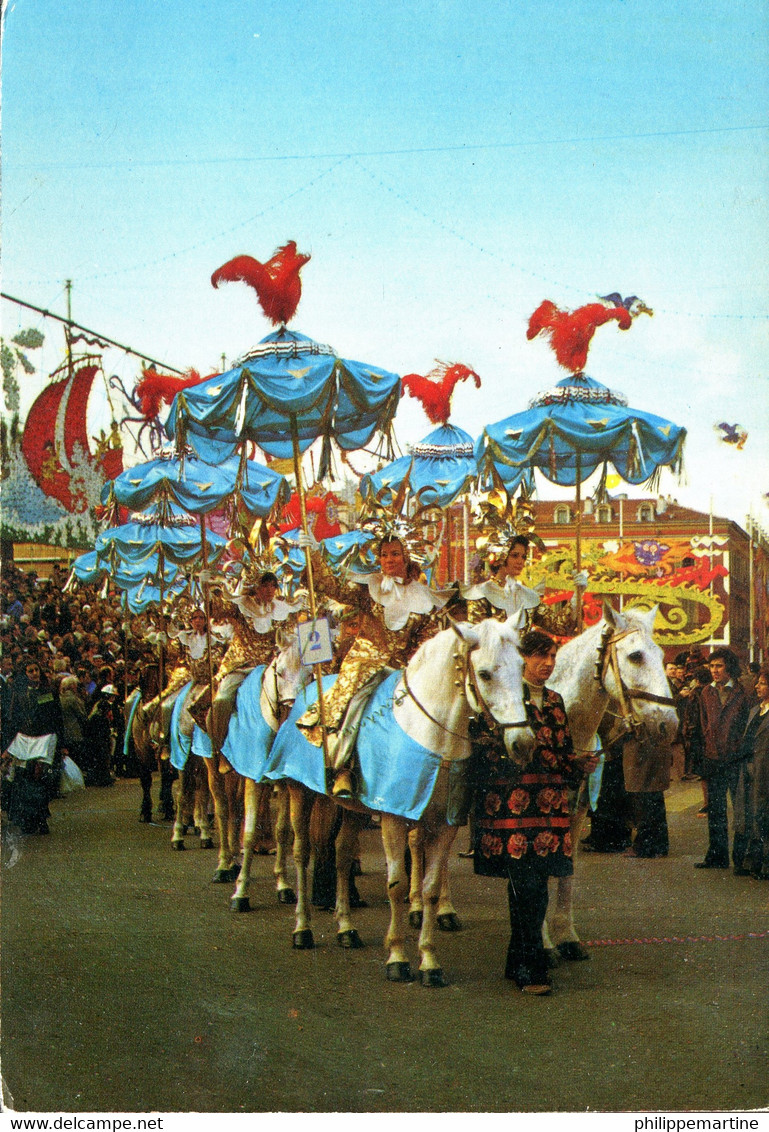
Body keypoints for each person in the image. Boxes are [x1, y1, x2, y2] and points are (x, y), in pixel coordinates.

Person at [471, 629, 598, 995]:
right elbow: (493, 749)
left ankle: (518, 960)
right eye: (540, 656)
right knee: (527, 888)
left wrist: (579, 764)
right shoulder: (504, 697)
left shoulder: (556, 701)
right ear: (521, 660)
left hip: (551, 811)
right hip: (513, 809)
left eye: (552, 656)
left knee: (534, 888)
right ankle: (532, 967)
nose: (548, 663)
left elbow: (562, 752)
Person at [296, 530, 454, 796]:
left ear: (406, 556)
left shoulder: (425, 597)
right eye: (383, 554)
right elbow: (331, 586)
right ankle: (343, 768)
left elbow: (427, 641)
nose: (388, 559)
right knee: (357, 702)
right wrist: (313, 553)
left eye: (394, 553)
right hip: (365, 661)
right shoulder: (369, 588)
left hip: (404, 666)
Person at [460, 534, 586, 636]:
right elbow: (479, 639)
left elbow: (560, 627)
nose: (521, 561)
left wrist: (577, 596)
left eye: (523, 557)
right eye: (515, 555)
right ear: (500, 556)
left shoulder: (528, 595)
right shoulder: (481, 594)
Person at [695, 647, 751, 870]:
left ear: (729, 666)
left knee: (741, 810)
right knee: (715, 810)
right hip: (713, 758)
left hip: (737, 759)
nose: (714, 671)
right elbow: (702, 725)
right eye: (712, 666)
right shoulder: (706, 692)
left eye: (719, 666)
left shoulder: (742, 692)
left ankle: (741, 859)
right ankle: (716, 856)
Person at [734, 668, 769, 880]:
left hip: (765, 770)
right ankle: (749, 861)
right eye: (757, 683)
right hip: (748, 769)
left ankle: (764, 864)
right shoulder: (755, 710)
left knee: (762, 815)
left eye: (763, 683)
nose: (757, 686)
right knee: (746, 815)